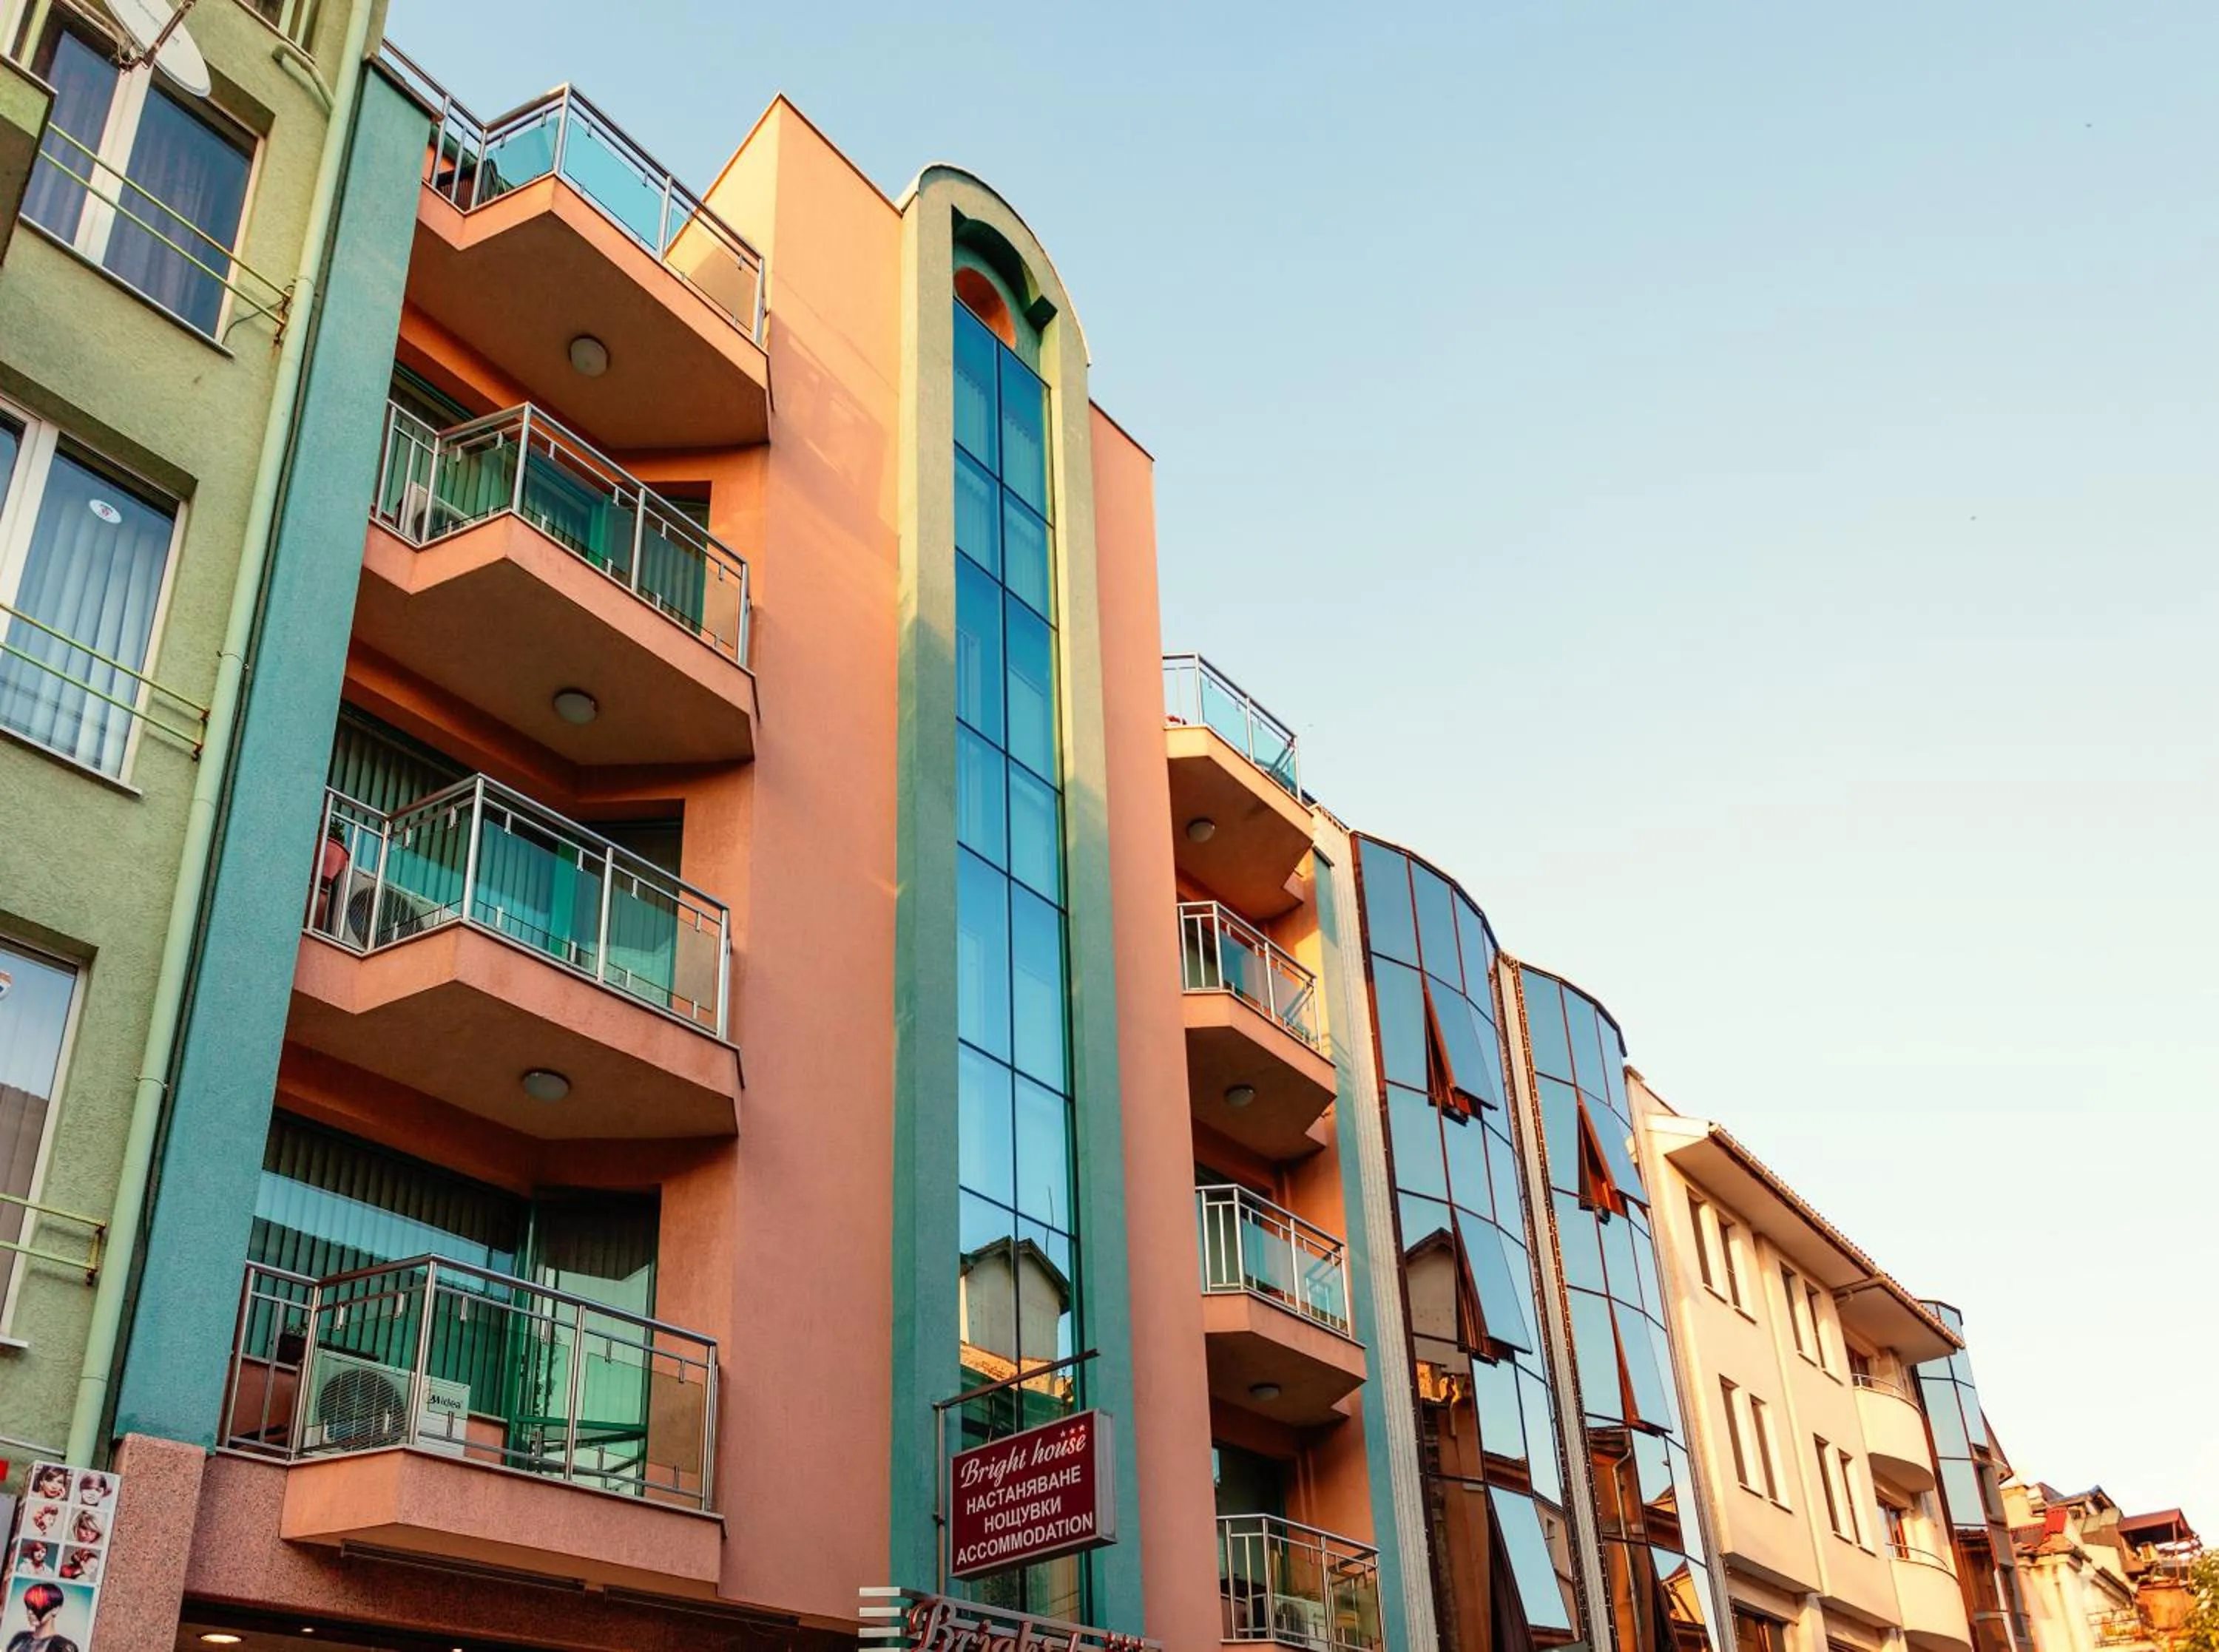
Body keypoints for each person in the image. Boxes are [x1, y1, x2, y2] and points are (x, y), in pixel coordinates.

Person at [6, 1582, 79, 1652]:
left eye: (37, 1607)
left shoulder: (64, 1647)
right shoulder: (19, 1638)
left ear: (55, 1610)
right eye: (28, 1607)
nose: (30, 1612)